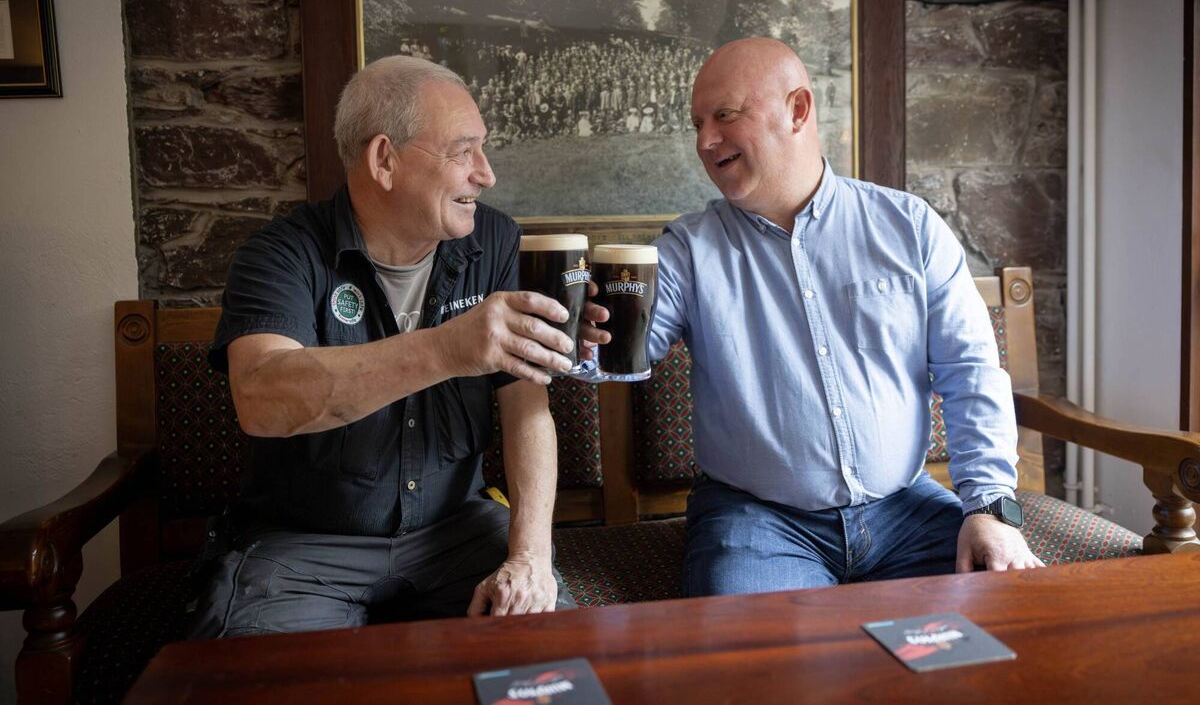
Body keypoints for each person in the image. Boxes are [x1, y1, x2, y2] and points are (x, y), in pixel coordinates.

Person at [188, 55, 590, 638]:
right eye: (462, 151)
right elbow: (260, 396)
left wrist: (529, 556)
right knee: (259, 684)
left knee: (551, 665)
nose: (486, 173)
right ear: (384, 159)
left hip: (457, 530)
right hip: (303, 549)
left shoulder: (495, 239)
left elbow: (525, 406)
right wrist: (449, 348)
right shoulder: (281, 254)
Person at [634, 38, 1043, 596]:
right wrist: (573, 334)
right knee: (755, 673)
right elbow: (618, 355)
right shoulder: (685, 250)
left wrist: (991, 509)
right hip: (758, 523)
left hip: (908, 512)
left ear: (798, 109)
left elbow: (971, 372)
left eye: (725, 115)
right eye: (698, 123)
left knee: (1014, 619)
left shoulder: (910, 227)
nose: (705, 141)